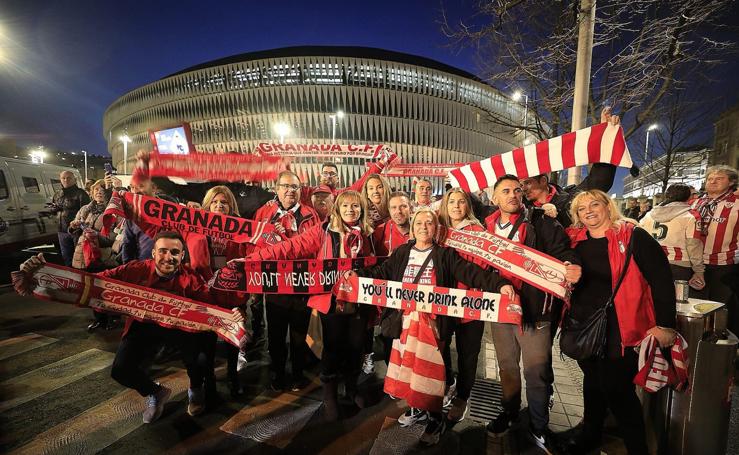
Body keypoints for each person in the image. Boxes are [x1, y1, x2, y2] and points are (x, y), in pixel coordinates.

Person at [16, 231, 243, 424]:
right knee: (120, 370)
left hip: (179, 329)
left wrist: (231, 314)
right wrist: (45, 275)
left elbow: (210, 304)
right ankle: (155, 392)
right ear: (153, 252)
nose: (168, 257)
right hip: (144, 326)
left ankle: (195, 390)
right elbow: (94, 282)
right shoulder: (135, 270)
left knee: (201, 359)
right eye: (162, 251)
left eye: (175, 253)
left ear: (182, 256)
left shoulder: (190, 279)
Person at [349, 208, 514, 445]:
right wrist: (357, 274)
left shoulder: (445, 254)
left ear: (437, 229)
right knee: (410, 373)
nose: (424, 227)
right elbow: (381, 272)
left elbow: (471, 273)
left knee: (432, 375)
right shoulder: (402, 252)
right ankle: (418, 409)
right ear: (413, 228)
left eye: (429, 223)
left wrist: (499, 284)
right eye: (419, 223)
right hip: (405, 323)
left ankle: (435, 419)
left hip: (434, 326)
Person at [563, 190, 676, 455]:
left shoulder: (632, 235)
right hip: (583, 325)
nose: (588, 211)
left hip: (620, 328)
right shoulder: (574, 239)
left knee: (619, 391)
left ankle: (637, 449)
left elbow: (661, 280)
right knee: (592, 384)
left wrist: (665, 324)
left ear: (608, 207)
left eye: (594, 205)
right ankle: (590, 437)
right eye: (581, 209)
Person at [246, 190, 375, 421]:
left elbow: (379, 265)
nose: (350, 210)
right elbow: (290, 248)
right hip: (332, 302)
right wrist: (253, 260)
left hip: (360, 303)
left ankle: (352, 388)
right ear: (337, 209)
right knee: (333, 348)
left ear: (362, 210)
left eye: (355, 206)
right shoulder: (323, 231)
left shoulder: (369, 234)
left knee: (356, 347)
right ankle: (330, 395)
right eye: (345, 206)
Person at [483, 175, 581, 452]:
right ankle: (511, 412)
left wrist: (571, 265)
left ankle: (539, 426)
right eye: (505, 191)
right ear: (494, 198)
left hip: (535, 311)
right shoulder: (486, 227)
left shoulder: (542, 222)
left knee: (537, 373)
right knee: (508, 368)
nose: (513, 195)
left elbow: (564, 252)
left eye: (517, 190)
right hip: (502, 312)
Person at [252, 171, 320, 392]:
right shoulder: (263, 214)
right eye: (286, 186)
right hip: (274, 285)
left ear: (301, 191)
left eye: (295, 187)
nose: (291, 191)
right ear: (277, 188)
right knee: (276, 335)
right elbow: (254, 247)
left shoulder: (311, 215)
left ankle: (298, 374)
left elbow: (316, 247)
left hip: (302, 284)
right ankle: (278, 373)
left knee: (300, 335)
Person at [186, 185, 249, 398]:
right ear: (208, 204)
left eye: (224, 202)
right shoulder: (194, 226)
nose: (219, 206)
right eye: (215, 202)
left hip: (232, 294)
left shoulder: (241, 229)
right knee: (207, 344)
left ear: (231, 206)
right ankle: (209, 382)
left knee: (233, 341)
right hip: (206, 294)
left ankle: (233, 376)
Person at [436, 188, 490, 423]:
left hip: (471, 303)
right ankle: (448, 383)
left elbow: (482, 267)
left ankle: (463, 396)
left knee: (468, 354)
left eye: (461, 202)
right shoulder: (439, 232)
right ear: (444, 207)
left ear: (468, 206)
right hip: (443, 302)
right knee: (442, 346)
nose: (456, 206)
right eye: (451, 203)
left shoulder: (479, 232)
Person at [521, 107, 622, 228]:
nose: (523, 189)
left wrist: (606, 138)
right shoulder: (521, 208)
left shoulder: (570, 200)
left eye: (527, 183)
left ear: (543, 181)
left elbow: (598, 181)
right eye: (521, 185)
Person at [692, 165, 739, 335]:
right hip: (696, 264)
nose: (713, 182)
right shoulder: (697, 202)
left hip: (723, 265)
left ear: (732, 182)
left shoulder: (736, 203)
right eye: (710, 178)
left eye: (719, 178)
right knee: (697, 306)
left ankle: (721, 344)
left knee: (721, 307)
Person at [68, 179, 119, 331]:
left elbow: (113, 239)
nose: (99, 192)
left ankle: (112, 318)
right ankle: (99, 319)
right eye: (96, 190)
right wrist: (73, 226)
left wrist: (94, 235)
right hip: (84, 256)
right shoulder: (85, 209)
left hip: (103, 257)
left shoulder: (114, 212)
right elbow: (72, 231)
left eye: (102, 190)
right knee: (91, 290)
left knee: (105, 289)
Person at [639, 183, 705, 295]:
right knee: (677, 301)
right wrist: (699, 270)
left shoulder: (649, 214)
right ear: (688, 197)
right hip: (678, 265)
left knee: (654, 299)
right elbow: (693, 245)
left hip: (651, 262)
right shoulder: (691, 216)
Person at [49, 171, 90, 266]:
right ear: (60, 180)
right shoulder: (58, 194)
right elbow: (53, 209)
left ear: (74, 180)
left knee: (79, 257)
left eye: (69, 178)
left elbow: (86, 212)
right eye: (63, 178)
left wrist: (80, 228)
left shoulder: (81, 194)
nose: (66, 180)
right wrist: (53, 209)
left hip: (76, 231)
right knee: (66, 257)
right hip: (62, 230)